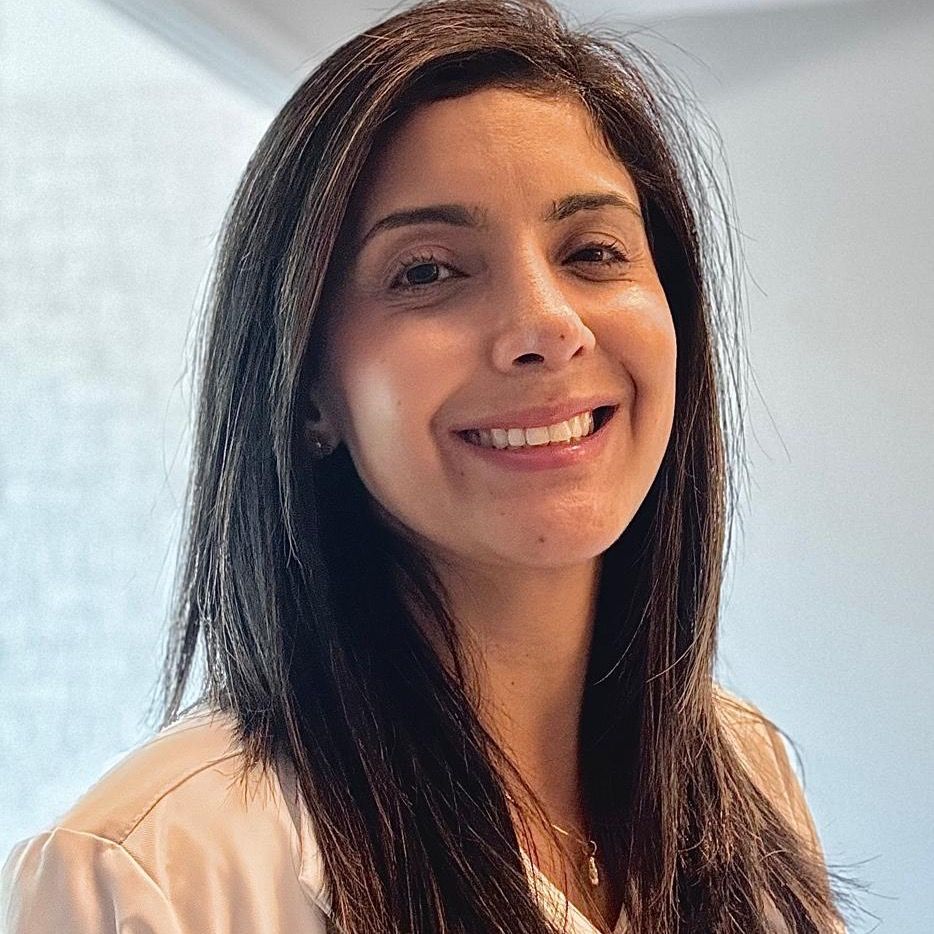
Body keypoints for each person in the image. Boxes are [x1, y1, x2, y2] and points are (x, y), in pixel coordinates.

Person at [1, 0, 853, 931]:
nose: (547, 324)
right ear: (310, 392)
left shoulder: (746, 774)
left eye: (592, 252)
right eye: (427, 271)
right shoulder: (147, 877)